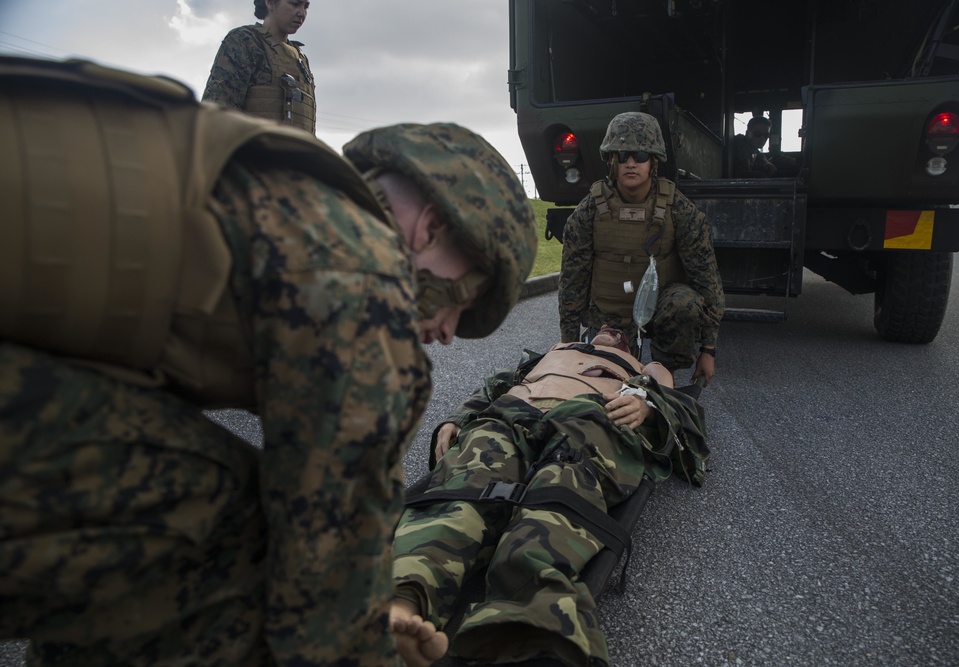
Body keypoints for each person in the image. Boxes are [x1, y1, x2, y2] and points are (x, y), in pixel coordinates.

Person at [0, 55, 536, 666]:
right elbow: (330, 563)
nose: (444, 333)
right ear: (432, 227)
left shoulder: (260, 184)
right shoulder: (359, 268)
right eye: (461, 303)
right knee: (240, 533)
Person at [389, 326, 709, 667]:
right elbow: (491, 385)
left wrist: (645, 404)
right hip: (511, 413)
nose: (609, 329)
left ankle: (532, 629)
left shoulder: (642, 367)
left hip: (589, 417)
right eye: (601, 325)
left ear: (629, 341)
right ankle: (399, 603)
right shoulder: (552, 352)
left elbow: (673, 397)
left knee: (557, 497)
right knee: (464, 491)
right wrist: (457, 418)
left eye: (617, 329)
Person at [559, 112, 725, 386]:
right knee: (609, 382)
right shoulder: (589, 211)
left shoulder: (678, 210)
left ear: (654, 161)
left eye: (640, 155)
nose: (631, 163)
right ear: (612, 161)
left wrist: (709, 350)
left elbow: (707, 281)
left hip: (660, 309)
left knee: (685, 304)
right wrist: (568, 345)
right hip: (609, 315)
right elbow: (572, 284)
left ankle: (665, 371)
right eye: (622, 155)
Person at [203, 0, 317, 133]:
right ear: (270, 3)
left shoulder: (300, 59)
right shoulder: (246, 41)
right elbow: (216, 112)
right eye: (294, 4)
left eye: (306, 6)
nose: (302, 13)